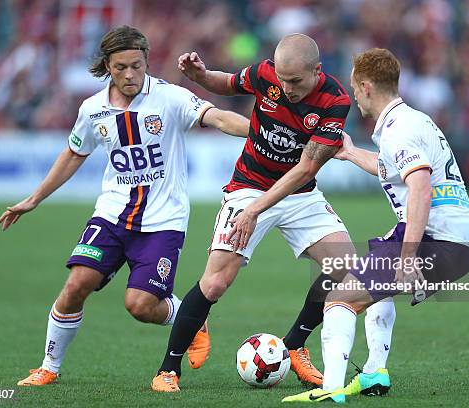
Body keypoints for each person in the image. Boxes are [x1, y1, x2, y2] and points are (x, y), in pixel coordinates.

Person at [0, 25, 251, 387]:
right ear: (107, 67)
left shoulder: (170, 97)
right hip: (113, 215)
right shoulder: (92, 109)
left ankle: (189, 317)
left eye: (137, 65)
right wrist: (35, 198)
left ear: (146, 61)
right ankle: (49, 367)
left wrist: (258, 129)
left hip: (163, 221)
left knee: (140, 306)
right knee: (75, 286)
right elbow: (74, 153)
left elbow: (218, 117)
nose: (130, 75)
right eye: (121, 68)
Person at [151, 33, 395, 394]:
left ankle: (295, 344)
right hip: (248, 184)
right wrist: (201, 76)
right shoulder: (267, 74)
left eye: (296, 81)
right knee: (216, 280)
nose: (287, 88)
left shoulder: (335, 101)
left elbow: (307, 168)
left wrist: (256, 210)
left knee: (344, 265)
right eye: (282, 80)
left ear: (317, 70)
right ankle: (168, 369)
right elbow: (230, 83)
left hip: (298, 192)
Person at [282, 48, 469, 403]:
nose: (353, 96)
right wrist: (349, 153)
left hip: (435, 238)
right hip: (461, 241)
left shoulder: (398, 130)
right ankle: (375, 374)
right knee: (375, 290)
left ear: (367, 86)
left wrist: (407, 261)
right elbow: (396, 168)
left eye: (355, 89)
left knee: (339, 298)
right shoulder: (411, 120)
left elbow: (419, 187)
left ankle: (330, 388)